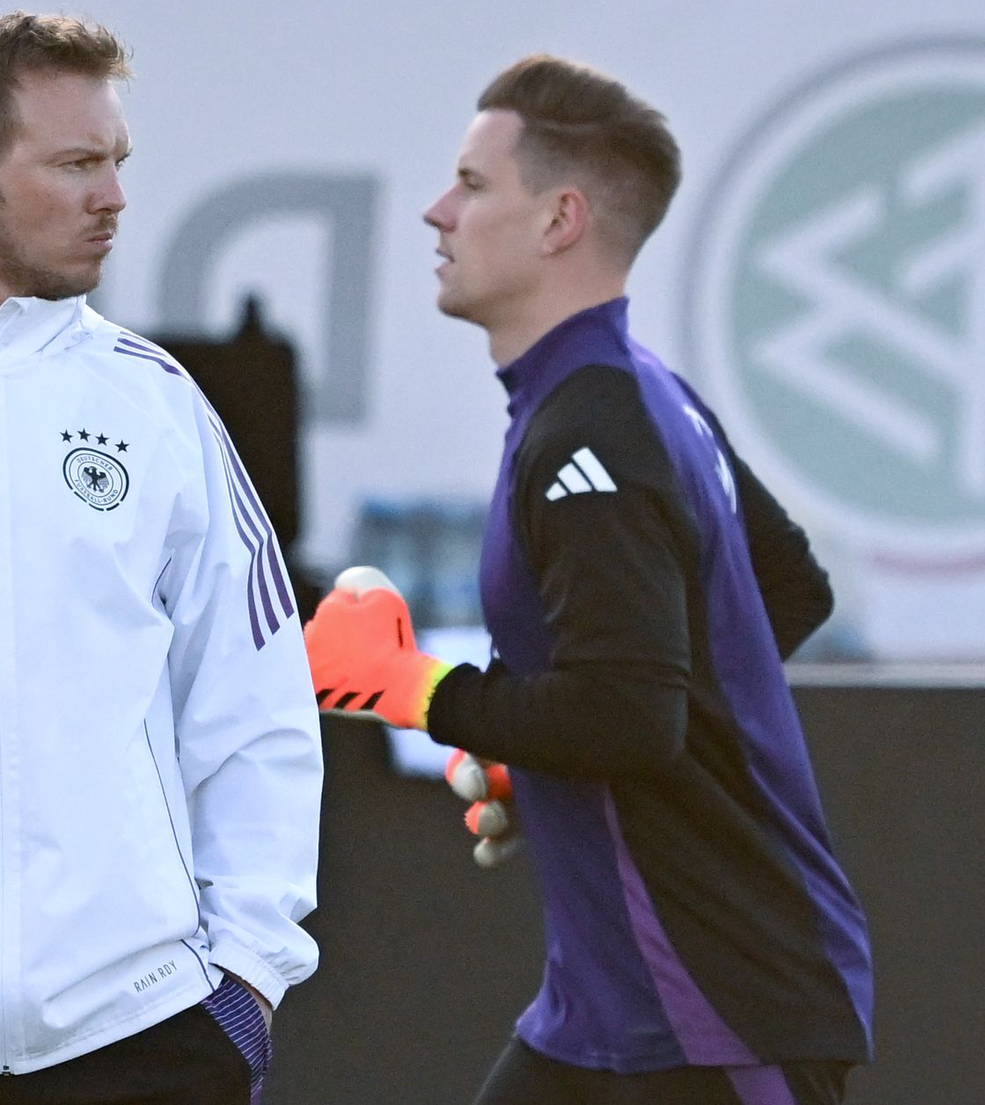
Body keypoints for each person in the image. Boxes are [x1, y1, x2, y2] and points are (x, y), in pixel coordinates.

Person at [306, 54, 873, 1104]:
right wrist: (547, 757)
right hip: (611, 1013)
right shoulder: (631, 394)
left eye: (473, 185)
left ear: (561, 219)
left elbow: (630, 710)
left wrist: (418, 688)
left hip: (716, 1011)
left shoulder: (596, 422)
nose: (437, 212)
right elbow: (781, 594)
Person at [0, 12, 322, 1103]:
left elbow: (258, 701)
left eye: (119, 161)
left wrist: (250, 977)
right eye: (78, 162)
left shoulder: (156, 402)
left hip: (141, 1042)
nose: (116, 196)